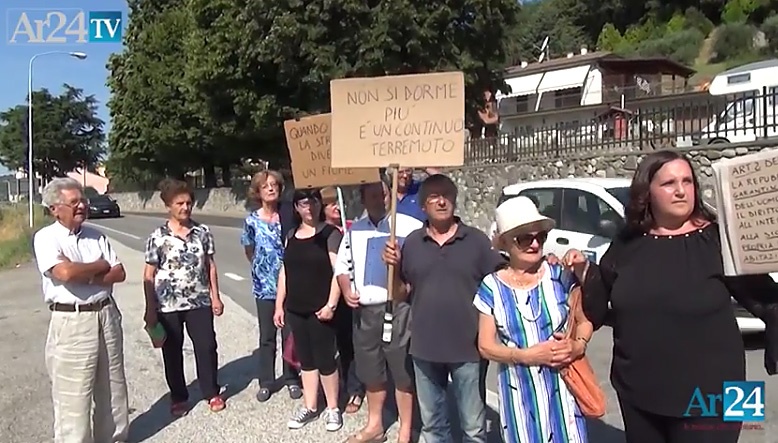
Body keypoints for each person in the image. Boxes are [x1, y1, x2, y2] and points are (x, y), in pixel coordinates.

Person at [573, 150, 778, 443]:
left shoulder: (720, 241)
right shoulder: (627, 243)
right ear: (647, 193)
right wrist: (582, 272)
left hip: (714, 397)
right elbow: (597, 302)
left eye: (687, 181)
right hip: (638, 393)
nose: (681, 191)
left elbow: (768, 300)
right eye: (669, 183)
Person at [383, 174, 505, 443]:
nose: (441, 201)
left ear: (454, 201)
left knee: (473, 428)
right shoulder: (412, 243)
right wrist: (392, 267)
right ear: (423, 206)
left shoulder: (476, 241)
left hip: (468, 350)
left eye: (446, 195)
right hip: (424, 349)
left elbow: (504, 282)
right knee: (433, 427)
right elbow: (400, 294)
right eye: (433, 197)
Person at [475, 196, 591, 443]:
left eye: (540, 237)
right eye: (525, 238)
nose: (535, 244)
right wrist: (526, 356)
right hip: (520, 396)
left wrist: (577, 345)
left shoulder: (559, 274)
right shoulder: (491, 287)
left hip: (563, 394)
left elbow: (584, 320)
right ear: (505, 242)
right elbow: (485, 346)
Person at [33, 177, 129, 443]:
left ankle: (113, 439)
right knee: (72, 394)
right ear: (55, 208)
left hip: (106, 315)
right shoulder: (46, 238)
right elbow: (64, 272)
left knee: (113, 386)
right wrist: (99, 266)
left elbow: (119, 272)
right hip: (71, 319)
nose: (82, 206)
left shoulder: (96, 236)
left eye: (83, 201)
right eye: (74, 202)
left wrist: (84, 271)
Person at [337, 180, 423, 443]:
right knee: (371, 370)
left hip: (398, 307)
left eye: (383, 194)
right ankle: (375, 425)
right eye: (372, 195)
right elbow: (342, 265)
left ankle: (406, 430)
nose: (379, 199)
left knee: (402, 370)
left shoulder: (410, 228)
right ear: (363, 200)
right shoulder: (354, 231)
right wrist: (345, 289)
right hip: (365, 310)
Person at [143, 178, 226, 416]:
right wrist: (150, 309)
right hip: (167, 304)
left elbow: (210, 266)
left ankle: (211, 391)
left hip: (199, 301)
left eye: (188, 203)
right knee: (172, 350)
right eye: (179, 203)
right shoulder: (157, 236)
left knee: (207, 346)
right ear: (169, 205)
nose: (185, 207)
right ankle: (179, 396)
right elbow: (149, 273)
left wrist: (216, 297)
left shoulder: (203, 232)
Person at [274, 189, 344, 431]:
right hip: (296, 308)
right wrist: (279, 305)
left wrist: (331, 305)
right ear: (296, 208)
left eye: (313, 202)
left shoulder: (330, 234)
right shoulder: (291, 235)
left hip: (321, 309)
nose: (309, 207)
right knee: (306, 360)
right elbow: (285, 271)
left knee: (326, 359)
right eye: (304, 203)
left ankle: (333, 408)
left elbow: (339, 272)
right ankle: (310, 405)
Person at [241, 171, 301, 403]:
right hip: (264, 287)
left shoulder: (288, 216)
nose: (271, 189)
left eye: (275, 185)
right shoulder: (251, 221)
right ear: (257, 192)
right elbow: (249, 250)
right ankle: (266, 381)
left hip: (290, 285)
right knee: (267, 336)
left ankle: (291, 377)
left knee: (290, 334)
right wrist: (263, 269)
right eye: (265, 186)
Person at [321, 185, 366, 414]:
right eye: (331, 204)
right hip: (330, 296)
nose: (337, 207)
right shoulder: (324, 232)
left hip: (353, 296)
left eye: (339, 202)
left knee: (353, 346)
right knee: (336, 347)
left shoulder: (352, 227)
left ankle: (355, 390)